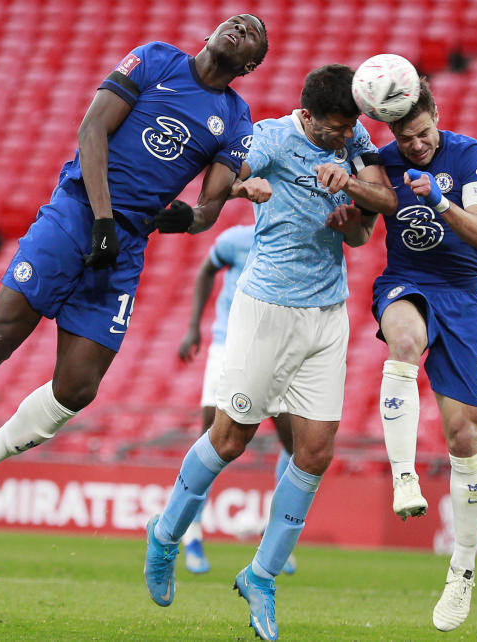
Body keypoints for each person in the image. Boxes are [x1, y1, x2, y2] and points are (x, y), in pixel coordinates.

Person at [0, 15, 270, 544]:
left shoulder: (236, 118)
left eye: (251, 34)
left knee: (78, 388)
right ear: (209, 33)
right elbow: (92, 129)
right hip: (77, 215)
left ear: (249, 65)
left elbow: (207, 209)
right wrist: (104, 219)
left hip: (126, 247)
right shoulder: (156, 59)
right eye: (236, 21)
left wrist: (191, 219)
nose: (241, 27)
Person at [143, 64, 397, 641]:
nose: (345, 137)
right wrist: (242, 187)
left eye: (349, 128)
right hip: (266, 310)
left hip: (327, 315)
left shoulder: (355, 139)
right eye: (334, 129)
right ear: (306, 116)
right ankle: (164, 535)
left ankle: (262, 575)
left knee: (314, 453)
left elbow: (375, 211)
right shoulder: (271, 138)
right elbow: (214, 189)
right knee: (231, 439)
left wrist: (350, 205)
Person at [369, 79, 477, 632]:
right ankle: (403, 475)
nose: (415, 145)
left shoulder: (469, 154)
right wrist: (346, 202)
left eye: (422, 133)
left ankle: (462, 571)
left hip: (462, 294)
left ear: (436, 116)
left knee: (465, 436)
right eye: (404, 136)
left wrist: (439, 200)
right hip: (405, 279)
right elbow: (358, 229)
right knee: (401, 341)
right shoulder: (382, 161)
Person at [176, 224, 296, 575]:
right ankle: (192, 535)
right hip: (227, 344)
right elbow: (206, 269)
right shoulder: (235, 240)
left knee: (295, 443)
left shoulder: (293, 240)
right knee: (211, 439)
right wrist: (193, 326)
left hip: (275, 351)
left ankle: (276, 539)